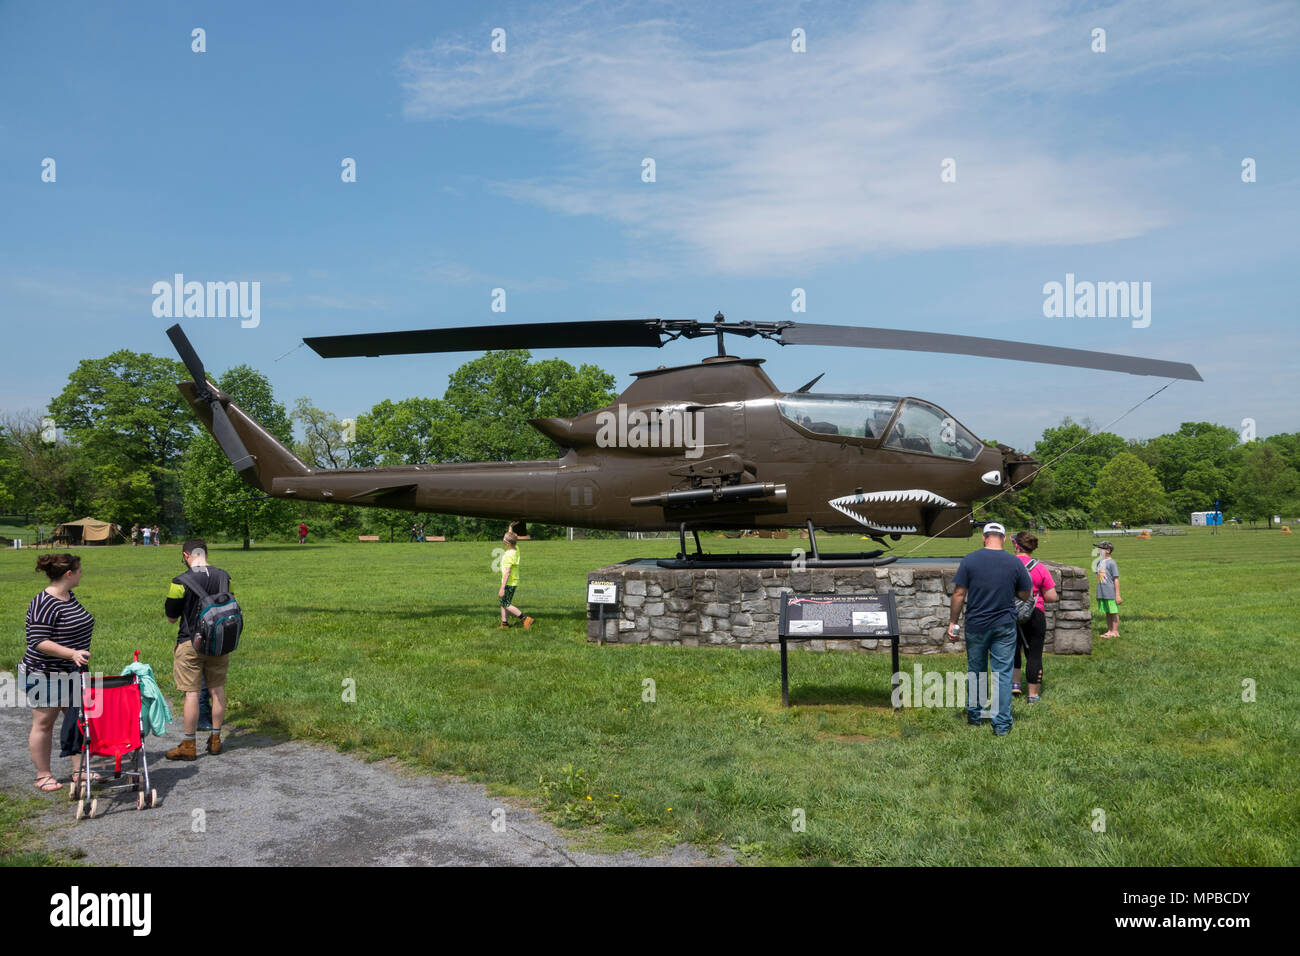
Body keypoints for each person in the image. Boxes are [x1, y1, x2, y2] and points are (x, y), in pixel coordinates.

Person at [947, 523, 1032, 737]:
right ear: (1003, 539)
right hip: (1004, 624)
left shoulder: (970, 560)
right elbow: (1025, 594)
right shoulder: (1014, 562)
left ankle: (975, 715)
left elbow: (958, 594)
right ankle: (1002, 725)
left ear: (984, 538)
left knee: (976, 670)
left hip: (976, 624)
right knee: (1002, 674)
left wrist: (953, 622)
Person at [22, 554, 92, 792]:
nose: (82, 574)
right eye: (80, 570)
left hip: (71, 672)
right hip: (45, 673)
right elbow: (38, 641)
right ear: (69, 574)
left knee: (77, 721)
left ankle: (79, 770)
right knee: (44, 723)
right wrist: (72, 653)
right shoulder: (45, 601)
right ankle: (43, 775)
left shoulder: (67, 596)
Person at [164, 539, 232, 760]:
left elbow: (171, 618)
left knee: (192, 693)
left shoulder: (179, 582)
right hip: (219, 643)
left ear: (186, 556)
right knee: (217, 689)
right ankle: (215, 739)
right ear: (205, 553)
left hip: (190, 642)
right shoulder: (225, 577)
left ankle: (189, 744)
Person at [1010, 531, 1058, 703]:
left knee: (1012, 650)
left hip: (1010, 613)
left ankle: (1014, 684)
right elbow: (1052, 596)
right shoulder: (1040, 568)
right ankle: (1033, 695)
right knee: (1034, 654)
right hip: (1035, 613)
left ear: (1016, 545)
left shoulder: (1008, 565)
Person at [497, 530, 534, 629]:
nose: (502, 540)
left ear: (507, 543)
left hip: (509, 582)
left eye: (504, 539)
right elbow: (512, 537)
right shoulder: (516, 548)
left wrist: (502, 588)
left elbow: (507, 572)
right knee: (503, 602)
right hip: (512, 581)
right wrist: (511, 527)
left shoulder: (509, 555)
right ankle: (504, 624)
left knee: (506, 604)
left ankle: (525, 619)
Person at [1096, 541, 1122, 638]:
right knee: (1107, 612)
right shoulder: (1099, 562)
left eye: (1101, 548)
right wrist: (1099, 593)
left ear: (1108, 550)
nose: (1098, 550)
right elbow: (1100, 578)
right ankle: (1109, 630)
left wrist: (1117, 595)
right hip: (1102, 592)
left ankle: (1115, 631)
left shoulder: (1112, 563)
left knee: (1113, 611)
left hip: (1111, 592)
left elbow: (1116, 579)